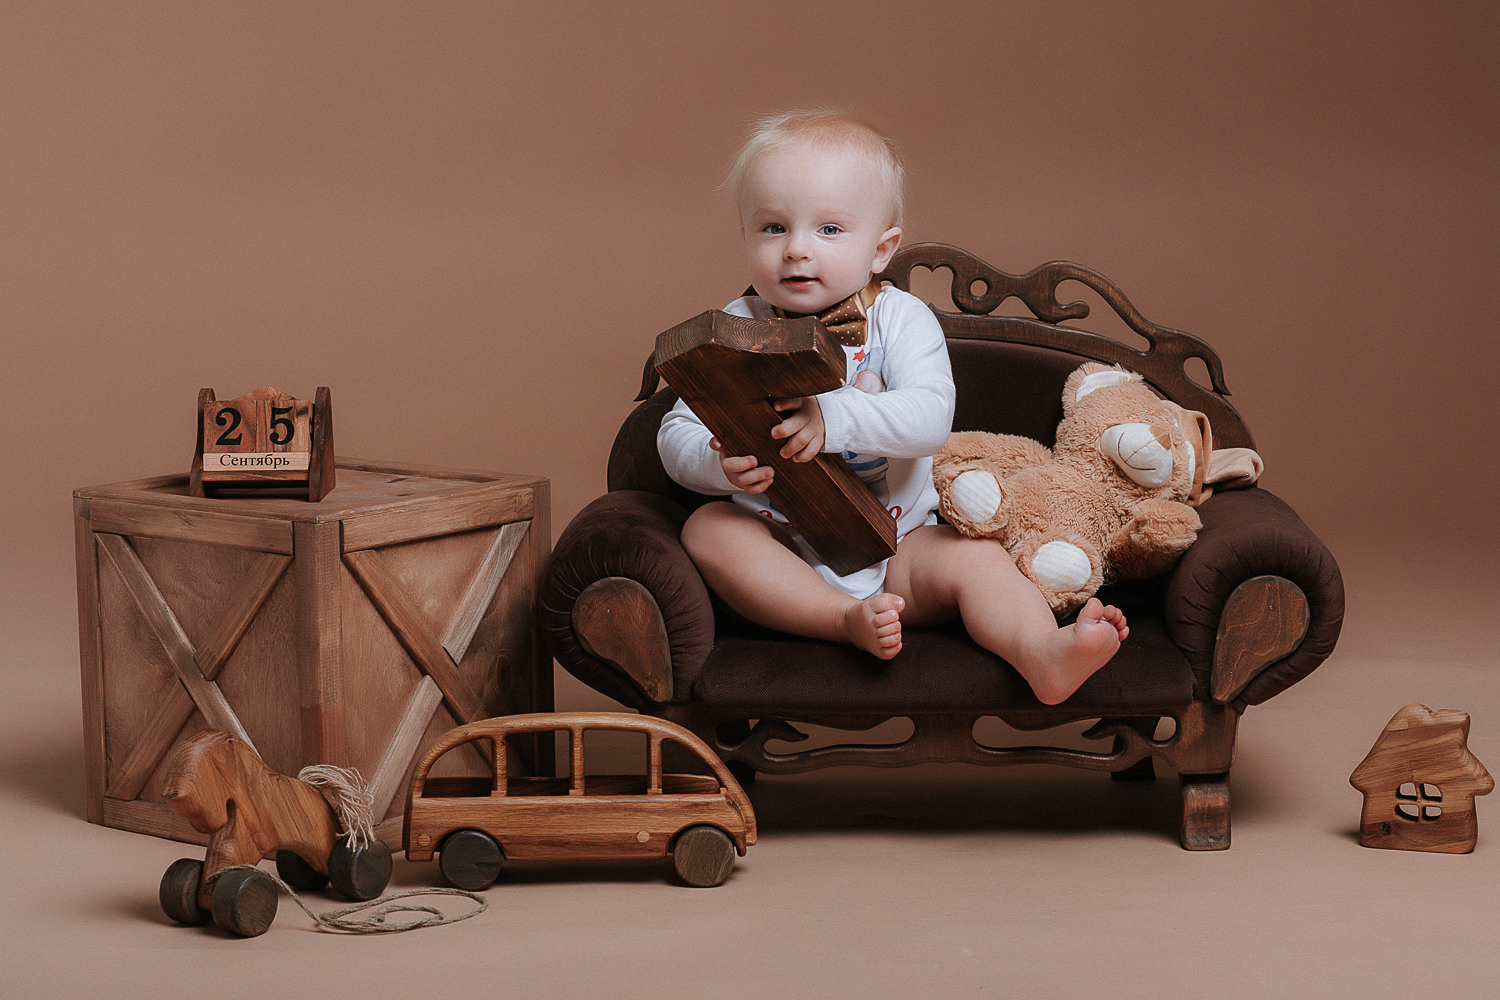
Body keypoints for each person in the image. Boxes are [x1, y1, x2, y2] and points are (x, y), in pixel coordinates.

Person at [658, 109, 1127, 705]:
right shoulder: (731, 330)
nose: (798, 250)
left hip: (899, 542)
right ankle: (838, 619)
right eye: (774, 228)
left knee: (975, 559)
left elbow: (931, 418)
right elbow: (673, 432)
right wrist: (712, 462)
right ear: (746, 237)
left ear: (881, 250)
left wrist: (834, 420)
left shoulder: (899, 319)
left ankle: (1042, 652)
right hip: (781, 548)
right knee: (709, 529)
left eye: (829, 229)